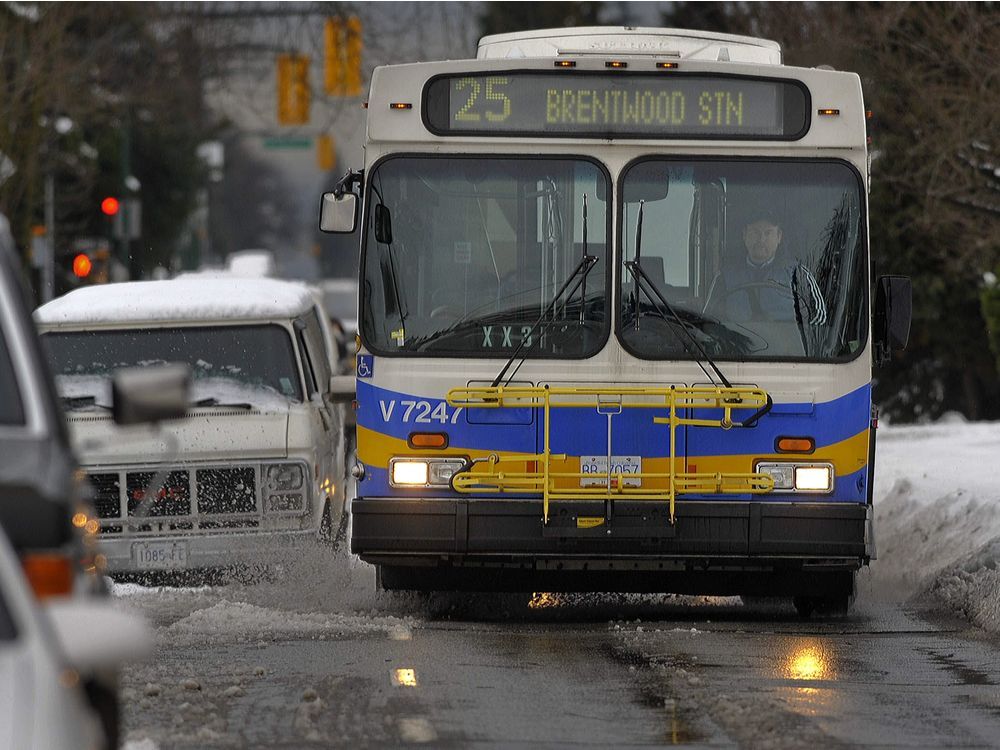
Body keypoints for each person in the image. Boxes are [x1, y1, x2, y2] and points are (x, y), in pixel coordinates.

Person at [712, 214, 827, 325]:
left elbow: (819, 317)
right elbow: (710, 320)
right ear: (744, 235)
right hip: (736, 343)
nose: (761, 240)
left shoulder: (797, 274)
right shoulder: (724, 277)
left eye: (768, 233)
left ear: (779, 237)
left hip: (789, 344)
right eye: (755, 232)